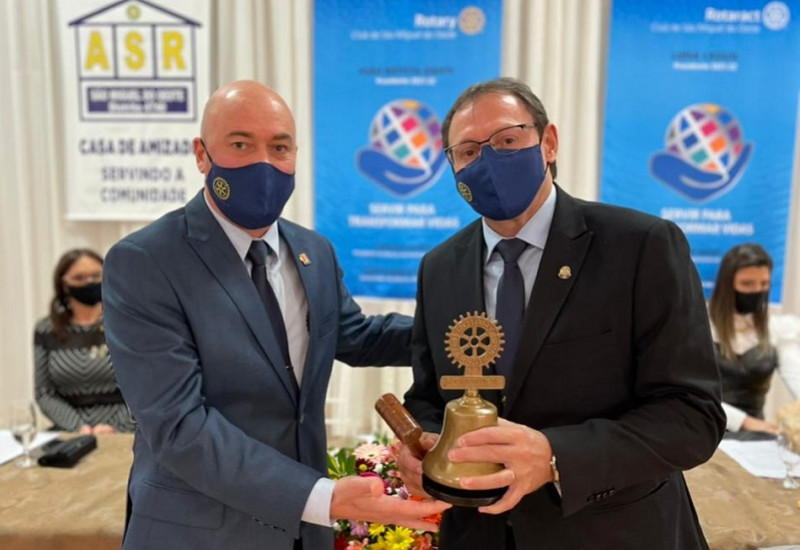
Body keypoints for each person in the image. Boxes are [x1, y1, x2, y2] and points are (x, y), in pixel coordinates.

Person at [102, 80, 449, 550]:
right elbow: (179, 426)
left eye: (280, 147)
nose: (263, 163)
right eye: (241, 144)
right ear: (202, 155)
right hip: (198, 532)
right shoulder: (146, 262)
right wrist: (323, 497)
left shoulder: (313, 251)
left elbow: (356, 336)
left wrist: (459, 331)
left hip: (302, 534)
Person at [399, 77, 725, 549]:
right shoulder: (439, 267)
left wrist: (557, 457)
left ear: (548, 142)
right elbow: (429, 396)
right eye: (468, 152)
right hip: (477, 535)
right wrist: (423, 448)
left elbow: (693, 416)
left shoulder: (641, 247)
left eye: (507, 140)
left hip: (611, 534)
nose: (487, 161)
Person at [34, 248, 133, 434]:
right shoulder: (46, 330)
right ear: (64, 284)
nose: (89, 282)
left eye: (96, 275)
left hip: (126, 430)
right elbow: (44, 393)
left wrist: (115, 427)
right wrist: (79, 427)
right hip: (70, 432)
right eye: (79, 278)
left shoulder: (129, 324)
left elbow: (146, 387)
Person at [708, 243, 800, 438]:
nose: (757, 290)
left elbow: (796, 374)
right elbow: (692, 392)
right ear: (727, 285)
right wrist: (745, 422)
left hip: (757, 436)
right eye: (747, 284)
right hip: (706, 429)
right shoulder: (700, 326)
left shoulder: (777, 327)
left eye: (764, 284)